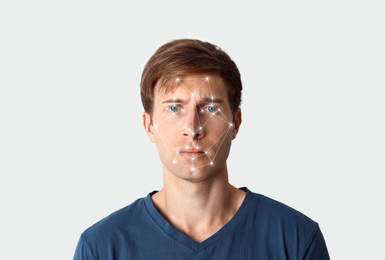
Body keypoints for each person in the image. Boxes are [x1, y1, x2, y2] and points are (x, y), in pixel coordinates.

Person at [73, 39, 330, 259]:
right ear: (149, 126)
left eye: (210, 108)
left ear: (236, 123)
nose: (193, 128)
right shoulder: (101, 247)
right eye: (174, 108)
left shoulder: (296, 239)